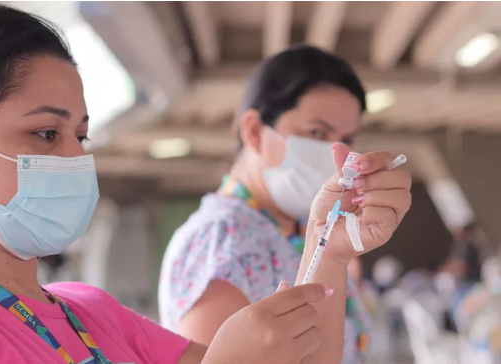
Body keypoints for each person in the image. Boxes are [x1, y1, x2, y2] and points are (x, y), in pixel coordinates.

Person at [0, 6, 371, 364]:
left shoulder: (88, 312)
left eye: (80, 135)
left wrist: (331, 245)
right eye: (46, 133)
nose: (77, 158)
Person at [159, 45, 412, 363]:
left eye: (347, 140)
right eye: (317, 132)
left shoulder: (299, 229)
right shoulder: (221, 241)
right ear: (254, 132)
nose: (337, 155)